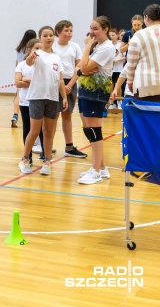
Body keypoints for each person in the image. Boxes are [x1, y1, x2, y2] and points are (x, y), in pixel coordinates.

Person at [18, 26, 67, 175]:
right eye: (45, 35)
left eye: (51, 35)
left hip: (52, 98)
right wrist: (31, 56)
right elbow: (28, 63)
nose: (49, 38)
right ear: (40, 38)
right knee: (34, 130)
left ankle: (47, 161)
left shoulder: (57, 58)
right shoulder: (36, 54)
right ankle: (25, 159)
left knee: (48, 132)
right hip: (37, 97)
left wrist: (64, 97)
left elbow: (59, 80)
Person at [75, 16, 116, 184]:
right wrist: (82, 71)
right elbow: (81, 68)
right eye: (91, 28)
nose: (92, 32)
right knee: (87, 128)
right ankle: (102, 168)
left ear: (105, 29)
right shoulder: (97, 46)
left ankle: (96, 172)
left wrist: (86, 47)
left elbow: (84, 66)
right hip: (85, 90)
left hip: (97, 92)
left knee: (94, 130)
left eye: (95, 29)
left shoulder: (106, 48)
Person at [52, 20, 87, 158]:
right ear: (58, 32)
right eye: (66, 30)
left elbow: (79, 67)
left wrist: (70, 85)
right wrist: (61, 86)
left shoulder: (75, 46)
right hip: (55, 83)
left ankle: (69, 147)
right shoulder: (53, 47)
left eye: (71, 30)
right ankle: (46, 145)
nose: (69, 33)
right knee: (52, 116)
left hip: (70, 82)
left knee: (67, 115)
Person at [15, 38, 45, 166]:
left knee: (42, 129)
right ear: (29, 50)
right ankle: (28, 156)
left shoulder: (43, 64)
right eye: (36, 48)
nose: (39, 51)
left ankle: (45, 153)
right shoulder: (21, 65)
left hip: (40, 100)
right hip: (25, 103)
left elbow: (44, 82)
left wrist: (27, 80)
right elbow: (18, 83)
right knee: (27, 129)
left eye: (40, 48)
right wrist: (30, 80)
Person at [125, 3, 160, 102]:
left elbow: (131, 63)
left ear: (146, 17)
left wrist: (130, 82)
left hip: (145, 86)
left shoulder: (139, 35)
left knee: (146, 117)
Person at [12, 30, 37, 127]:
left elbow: (17, 62)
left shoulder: (19, 48)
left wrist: (18, 74)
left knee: (19, 95)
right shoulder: (31, 48)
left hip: (21, 72)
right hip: (29, 71)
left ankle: (15, 115)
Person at [108, 27, 126, 109]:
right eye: (110, 35)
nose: (111, 36)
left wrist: (117, 60)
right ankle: (112, 103)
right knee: (111, 86)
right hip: (110, 70)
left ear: (117, 35)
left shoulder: (120, 45)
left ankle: (119, 101)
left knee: (117, 86)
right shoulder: (108, 45)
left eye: (113, 35)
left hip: (119, 69)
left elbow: (125, 57)